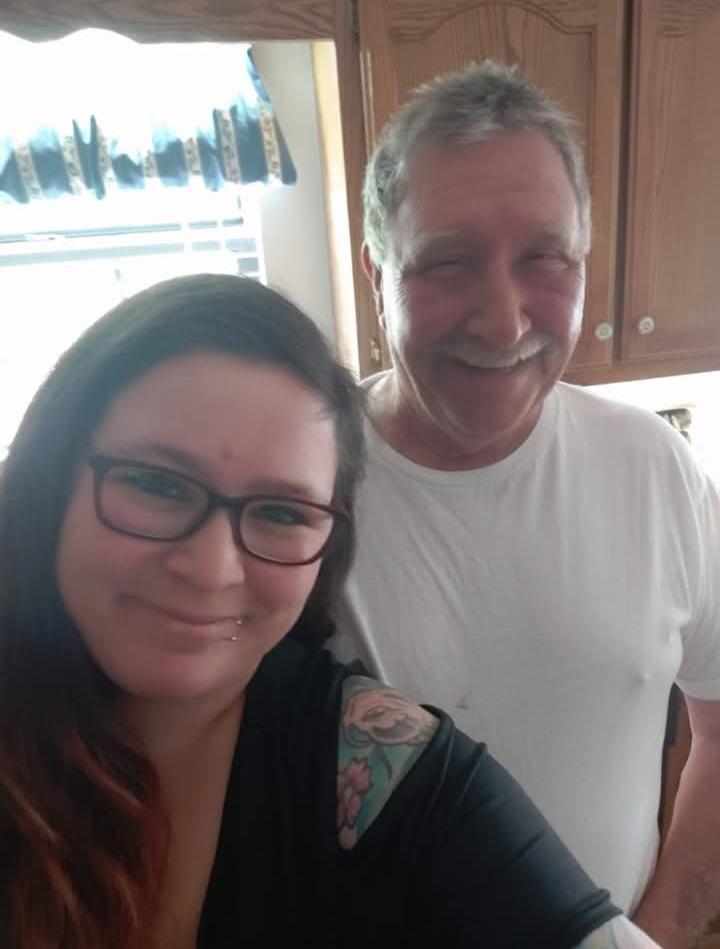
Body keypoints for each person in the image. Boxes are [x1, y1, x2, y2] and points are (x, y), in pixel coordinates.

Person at [0, 273, 660, 948]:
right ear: (53, 479)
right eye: (157, 484)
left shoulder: (384, 766)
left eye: (282, 512)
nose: (210, 569)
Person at [332, 61, 720, 948]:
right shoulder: (298, 494)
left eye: (544, 258)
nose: (504, 323)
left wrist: (650, 931)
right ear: (375, 271)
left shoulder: (654, 469)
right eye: (447, 262)